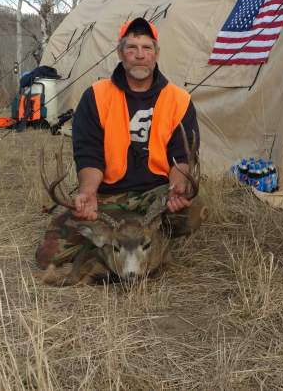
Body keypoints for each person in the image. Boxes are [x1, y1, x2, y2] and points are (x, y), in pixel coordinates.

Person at [35, 17, 202, 269]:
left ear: (156, 54)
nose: (139, 55)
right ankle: (130, 252)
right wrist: (88, 193)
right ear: (120, 53)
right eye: (131, 48)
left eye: (147, 48)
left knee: (192, 213)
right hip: (108, 196)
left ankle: (135, 245)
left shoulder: (179, 100)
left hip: (157, 196)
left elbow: (181, 156)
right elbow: (89, 154)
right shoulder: (96, 96)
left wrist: (177, 188)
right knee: (49, 256)